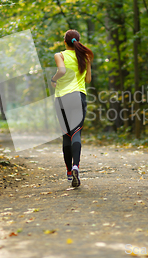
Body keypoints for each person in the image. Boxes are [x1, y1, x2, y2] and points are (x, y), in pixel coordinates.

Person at [51, 30, 93, 188]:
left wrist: (53, 79)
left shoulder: (60, 55)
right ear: (78, 41)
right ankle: (76, 167)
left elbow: (61, 71)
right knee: (76, 132)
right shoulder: (85, 57)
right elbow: (88, 79)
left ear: (64, 42)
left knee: (66, 135)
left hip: (62, 98)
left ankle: (69, 172)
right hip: (78, 97)